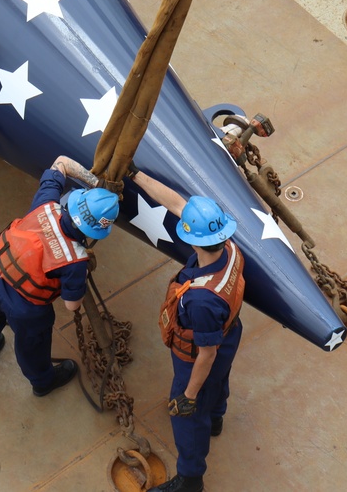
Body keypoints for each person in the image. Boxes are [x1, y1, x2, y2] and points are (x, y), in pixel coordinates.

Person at [0, 155, 119, 397]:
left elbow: (61, 162)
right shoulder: (76, 260)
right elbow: (71, 305)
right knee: (32, 346)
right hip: (25, 309)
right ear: (96, 231)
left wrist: (95, 183)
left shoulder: (46, 204)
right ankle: (42, 381)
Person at [132, 169, 245, 492]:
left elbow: (206, 354)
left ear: (193, 239)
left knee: (187, 417)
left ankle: (190, 478)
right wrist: (135, 175)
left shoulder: (200, 300)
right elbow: (178, 204)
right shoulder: (230, 248)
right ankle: (217, 417)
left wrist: (189, 395)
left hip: (197, 356)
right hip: (229, 333)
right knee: (219, 382)